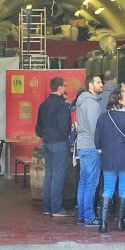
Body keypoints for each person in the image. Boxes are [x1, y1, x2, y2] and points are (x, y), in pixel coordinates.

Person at [94, 89, 125, 232]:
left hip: (108, 158)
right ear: (119, 100)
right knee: (124, 190)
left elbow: (97, 140)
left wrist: (102, 150)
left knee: (107, 189)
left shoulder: (102, 117)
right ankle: (120, 223)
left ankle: (103, 224)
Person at [35, 77, 71, 217]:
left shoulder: (43, 105)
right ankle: (56, 209)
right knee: (58, 175)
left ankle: (46, 207)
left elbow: (38, 127)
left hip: (46, 142)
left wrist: (45, 135)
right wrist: (65, 137)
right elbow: (65, 126)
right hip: (59, 143)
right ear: (60, 88)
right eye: (64, 86)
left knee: (48, 175)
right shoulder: (62, 105)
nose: (65, 88)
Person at [74, 74, 103, 227]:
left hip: (82, 145)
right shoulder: (92, 104)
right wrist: (101, 145)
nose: (101, 84)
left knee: (83, 182)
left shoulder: (81, 101)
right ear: (91, 85)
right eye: (98, 82)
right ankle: (89, 217)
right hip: (91, 147)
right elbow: (94, 128)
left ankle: (82, 216)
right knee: (91, 183)